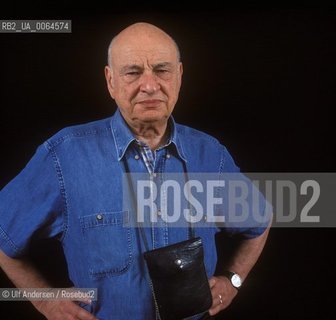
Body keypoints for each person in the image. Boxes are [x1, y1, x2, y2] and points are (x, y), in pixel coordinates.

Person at [0, 22, 271, 320]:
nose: (150, 85)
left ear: (179, 76)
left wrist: (233, 280)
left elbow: (259, 221)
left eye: (162, 70)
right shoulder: (63, 157)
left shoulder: (211, 156)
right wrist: (45, 301)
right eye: (133, 72)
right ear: (110, 81)